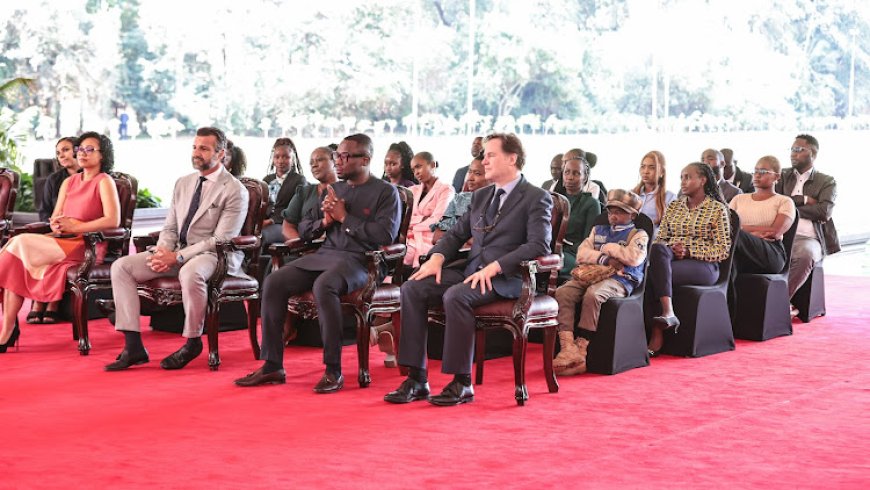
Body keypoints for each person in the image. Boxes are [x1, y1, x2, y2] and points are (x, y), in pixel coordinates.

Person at [384, 133, 552, 406]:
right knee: (412, 288)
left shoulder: (536, 197)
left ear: (512, 159)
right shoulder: (482, 195)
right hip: (470, 270)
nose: (484, 160)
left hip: (507, 278)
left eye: (491, 155)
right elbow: (455, 234)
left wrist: (496, 267)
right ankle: (417, 379)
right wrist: (437, 257)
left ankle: (462, 383)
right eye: (484, 155)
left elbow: (539, 244)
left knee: (456, 295)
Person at [234, 134, 401, 393]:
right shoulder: (337, 189)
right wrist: (324, 222)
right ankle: (272, 365)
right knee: (274, 281)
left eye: (346, 156)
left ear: (365, 160)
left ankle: (333, 370)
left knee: (325, 285)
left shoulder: (385, 192)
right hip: (325, 255)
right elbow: (305, 229)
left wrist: (344, 218)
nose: (339, 161)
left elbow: (384, 236)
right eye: (338, 156)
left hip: (362, 261)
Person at [104, 127, 248, 371]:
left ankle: (193, 342)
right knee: (122, 266)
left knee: (189, 272)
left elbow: (220, 239)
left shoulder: (235, 190)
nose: (196, 153)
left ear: (221, 153)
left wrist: (177, 257)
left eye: (204, 148)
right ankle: (133, 346)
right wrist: (162, 253)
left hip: (215, 256)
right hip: (177, 252)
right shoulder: (183, 183)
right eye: (194, 147)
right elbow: (170, 227)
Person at [0, 132, 121, 353]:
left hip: (85, 246)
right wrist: (57, 225)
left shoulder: (104, 181)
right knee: (15, 264)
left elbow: (113, 220)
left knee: (18, 244)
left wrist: (76, 227)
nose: (82, 153)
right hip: (60, 241)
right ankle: (6, 331)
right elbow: (55, 216)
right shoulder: (69, 181)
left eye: (89, 149)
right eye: (80, 149)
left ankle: (6, 332)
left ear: (102, 155)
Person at [553, 189, 648, 375]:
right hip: (592, 274)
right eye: (611, 211)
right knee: (562, 292)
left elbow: (633, 258)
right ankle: (567, 347)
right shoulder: (598, 230)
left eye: (619, 212)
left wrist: (605, 248)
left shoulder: (638, 235)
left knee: (594, 295)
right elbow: (581, 253)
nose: (613, 215)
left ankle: (582, 349)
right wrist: (604, 258)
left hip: (620, 279)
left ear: (632, 214)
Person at [646, 162, 731, 357]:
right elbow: (661, 238)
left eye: (688, 177)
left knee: (655, 274)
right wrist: (673, 249)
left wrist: (689, 251)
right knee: (658, 249)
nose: (683, 182)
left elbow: (722, 249)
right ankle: (667, 313)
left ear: (702, 180)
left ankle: (658, 330)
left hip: (705, 266)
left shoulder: (717, 209)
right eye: (681, 177)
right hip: (671, 259)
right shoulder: (675, 205)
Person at [775, 134, 839, 316]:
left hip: (809, 237)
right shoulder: (782, 176)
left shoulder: (826, 181)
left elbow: (824, 212)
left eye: (799, 150)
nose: (793, 154)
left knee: (805, 255)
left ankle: (777, 302)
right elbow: (774, 203)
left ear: (814, 153)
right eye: (792, 150)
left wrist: (789, 208)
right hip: (780, 234)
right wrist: (802, 200)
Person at [30, 136, 80, 324]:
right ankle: (39, 301)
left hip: (79, 233)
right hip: (56, 231)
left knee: (54, 254)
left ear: (78, 149)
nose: (61, 155)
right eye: (58, 153)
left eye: (66, 150)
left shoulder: (94, 178)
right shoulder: (54, 179)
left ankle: (50, 302)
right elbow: (44, 211)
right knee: (37, 249)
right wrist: (52, 226)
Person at [729, 156, 795, 275]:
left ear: (777, 176)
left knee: (736, 234)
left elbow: (775, 232)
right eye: (755, 171)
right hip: (740, 253)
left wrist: (742, 229)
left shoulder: (784, 201)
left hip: (771, 253)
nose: (757, 175)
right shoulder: (738, 199)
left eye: (763, 172)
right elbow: (725, 227)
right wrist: (754, 234)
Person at [404, 152, 455, 269]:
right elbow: (402, 218)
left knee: (400, 254)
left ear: (433, 165)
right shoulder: (412, 190)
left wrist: (411, 224)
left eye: (419, 166)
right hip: (409, 236)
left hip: (429, 238)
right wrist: (423, 218)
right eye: (413, 169)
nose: (416, 172)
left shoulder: (446, 190)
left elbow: (438, 219)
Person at [556, 152, 601, 280]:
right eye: (567, 172)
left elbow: (589, 241)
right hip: (551, 249)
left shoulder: (591, 204)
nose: (570, 177)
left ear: (585, 178)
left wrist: (564, 248)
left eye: (576, 173)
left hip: (574, 253)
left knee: (552, 265)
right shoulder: (555, 200)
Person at [281, 146, 338, 242]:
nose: (314, 165)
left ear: (335, 161)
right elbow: (287, 226)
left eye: (319, 160)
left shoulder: (347, 191)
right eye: (311, 163)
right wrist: (302, 246)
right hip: (303, 249)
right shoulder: (304, 192)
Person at [431, 155, 488, 245]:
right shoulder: (458, 199)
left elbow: (487, 242)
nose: (470, 178)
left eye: (477, 173)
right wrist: (466, 238)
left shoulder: (497, 203)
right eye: (469, 172)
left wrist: (455, 235)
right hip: (451, 254)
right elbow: (437, 237)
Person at [262, 138, 307, 247]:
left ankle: (253, 263)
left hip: (284, 224)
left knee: (261, 236)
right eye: (277, 157)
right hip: (264, 222)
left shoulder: (299, 180)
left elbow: (295, 209)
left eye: (286, 157)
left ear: (293, 160)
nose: (281, 161)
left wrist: (272, 220)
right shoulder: (267, 179)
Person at [632, 150, 676, 237]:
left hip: (653, 242)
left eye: (651, 167)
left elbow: (671, 229)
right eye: (643, 167)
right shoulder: (631, 195)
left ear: (662, 172)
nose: (645, 171)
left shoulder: (670, 197)